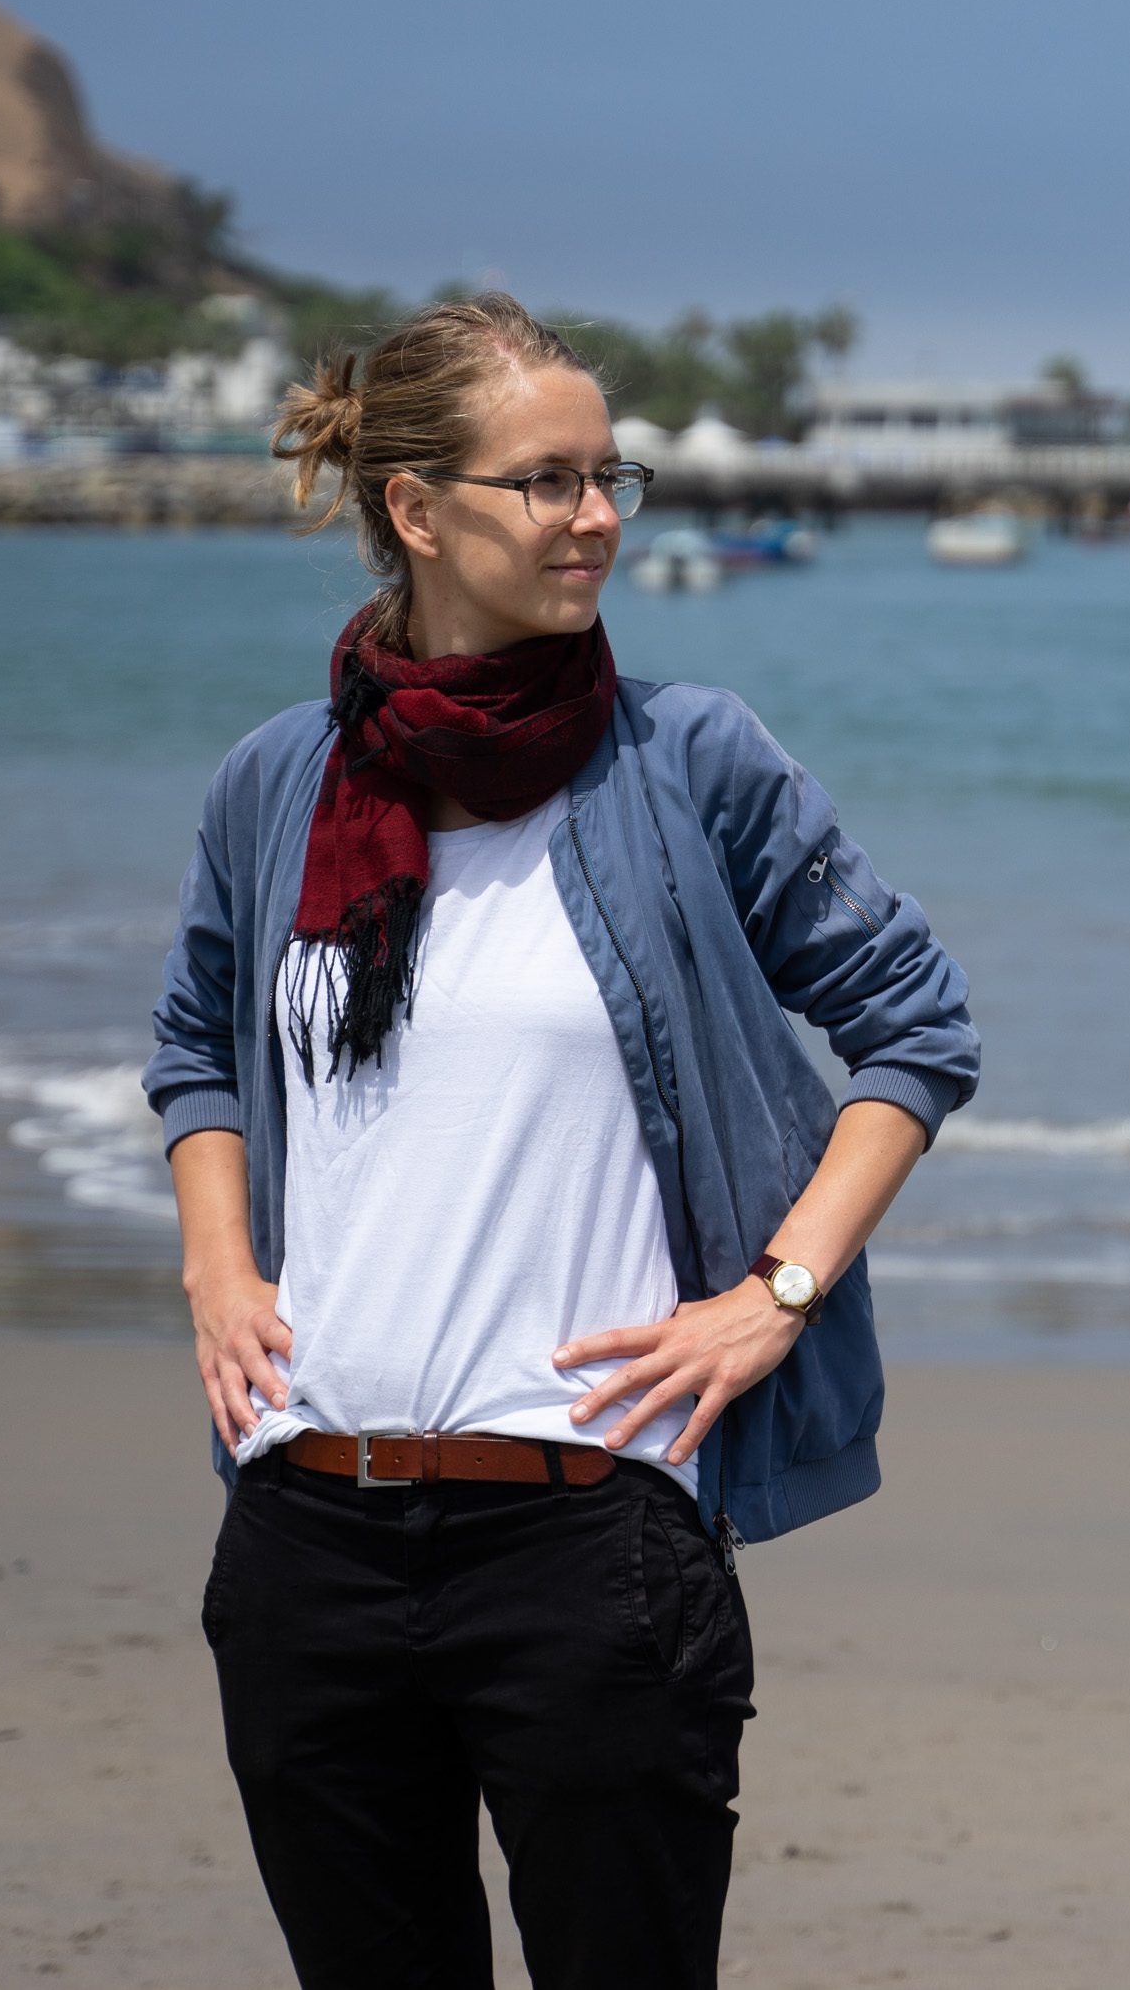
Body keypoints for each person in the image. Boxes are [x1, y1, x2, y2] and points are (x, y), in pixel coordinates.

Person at [142, 294, 978, 1988]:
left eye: (611, 476)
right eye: (548, 481)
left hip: (594, 1541)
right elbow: (197, 1050)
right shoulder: (276, 784)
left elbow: (916, 1026)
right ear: (416, 507)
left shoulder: (689, 763)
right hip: (309, 1534)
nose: (597, 515)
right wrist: (218, 1269)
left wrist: (777, 1293)